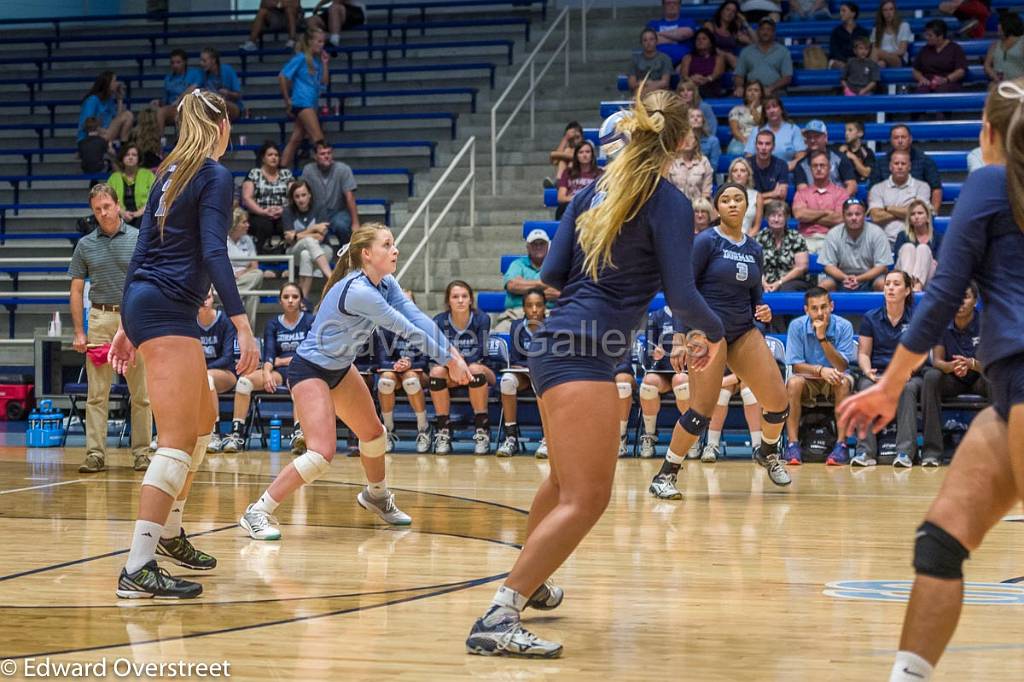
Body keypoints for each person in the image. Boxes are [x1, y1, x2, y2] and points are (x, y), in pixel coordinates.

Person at [465, 89, 723, 658]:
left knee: (561, 485)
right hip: (586, 352)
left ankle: (525, 587)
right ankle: (499, 615)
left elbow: (551, 274)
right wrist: (716, 330)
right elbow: (683, 297)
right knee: (588, 499)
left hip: (553, 343)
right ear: (682, 142)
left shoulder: (590, 195)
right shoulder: (670, 202)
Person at [838, 81, 1024, 682]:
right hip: (1007, 398)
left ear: (987, 134)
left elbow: (943, 295)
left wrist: (889, 386)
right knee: (940, 542)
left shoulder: (990, 182)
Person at [110, 88, 259, 599]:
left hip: (152, 301)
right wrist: (241, 324)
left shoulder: (168, 174)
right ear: (221, 128)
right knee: (174, 441)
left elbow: (141, 252)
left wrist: (130, 321)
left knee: (202, 423)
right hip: (167, 306)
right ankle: (137, 566)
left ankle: (170, 534)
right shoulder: (214, 174)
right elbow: (215, 252)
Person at [240, 224, 472, 539]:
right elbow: (404, 328)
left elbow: (417, 318)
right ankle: (258, 511)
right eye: (388, 245)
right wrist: (449, 359)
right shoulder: (360, 291)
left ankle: (376, 495)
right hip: (309, 370)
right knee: (321, 453)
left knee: (375, 435)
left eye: (394, 244)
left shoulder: (386, 283)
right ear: (366, 254)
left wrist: (453, 355)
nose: (395, 250)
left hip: (339, 368)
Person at [649, 181, 793, 501]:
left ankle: (767, 451)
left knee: (779, 404)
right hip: (706, 331)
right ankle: (665, 474)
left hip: (743, 330)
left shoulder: (755, 248)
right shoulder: (706, 241)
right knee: (701, 411)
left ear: (747, 206)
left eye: (737, 199)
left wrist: (763, 310)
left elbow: (756, 296)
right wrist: (679, 337)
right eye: (724, 200)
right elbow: (681, 289)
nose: (731, 204)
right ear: (717, 208)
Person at [69, 184, 152, 474]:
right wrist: (80, 331)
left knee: (141, 394)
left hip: (132, 321)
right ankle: (95, 454)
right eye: (97, 209)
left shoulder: (140, 238)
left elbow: (148, 281)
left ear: (117, 205)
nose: (103, 212)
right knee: (97, 394)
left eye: (107, 206)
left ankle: (142, 454)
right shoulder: (85, 245)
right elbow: (76, 290)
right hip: (101, 320)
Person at [222, 282, 314, 454]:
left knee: (298, 384)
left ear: (301, 300)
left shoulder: (310, 321)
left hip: (303, 370)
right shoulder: (273, 324)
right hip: (278, 371)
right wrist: (266, 371)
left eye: (295, 297)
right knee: (243, 383)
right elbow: (270, 353)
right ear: (280, 301)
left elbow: (308, 353)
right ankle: (236, 434)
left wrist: (281, 361)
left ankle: (299, 434)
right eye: (286, 297)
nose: (290, 301)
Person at [851, 269, 920, 468]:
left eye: (896, 284)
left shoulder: (916, 318)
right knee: (864, 388)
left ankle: (905, 453)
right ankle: (865, 452)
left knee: (907, 390)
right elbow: (863, 353)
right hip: (878, 372)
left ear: (907, 291)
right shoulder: (871, 317)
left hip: (906, 374)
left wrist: (908, 371)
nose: (890, 287)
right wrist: (867, 371)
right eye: (888, 283)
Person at [783, 287, 856, 465]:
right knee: (793, 383)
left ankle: (841, 445)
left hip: (836, 377)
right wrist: (820, 370)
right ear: (806, 310)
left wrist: (822, 338)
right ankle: (792, 445)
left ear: (832, 306)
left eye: (824, 307)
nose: (820, 313)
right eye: (814, 308)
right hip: (807, 378)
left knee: (844, 381)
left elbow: (842, 365)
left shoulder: (844, 326)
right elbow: (796, 365)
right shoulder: (796, 326)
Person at [917, 283, 985, 468]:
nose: (960, 302)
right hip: (953, 377)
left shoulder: (986, 323)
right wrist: (951, 366)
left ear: (975, 301)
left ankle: (1001, 449)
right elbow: (938, 361)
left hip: (980, 377)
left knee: (999, 377)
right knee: (931, 376)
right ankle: (932, 452)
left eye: (965, 297)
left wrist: (971, 364)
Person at [429, 280, 495, 455]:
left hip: (480, 368)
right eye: (455, 297)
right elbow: (437, 352)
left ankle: (482, 430)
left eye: (464, 296)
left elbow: (482, 350)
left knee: (474, 369)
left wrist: (461, 365)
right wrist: (454, 366)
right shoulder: (439, 321)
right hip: (452, 372)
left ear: (471, 300)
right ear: (448, 301)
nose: (460, 300)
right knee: (435, 372)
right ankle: (443, 430)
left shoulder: (482, 319)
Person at [376, 289, 432, 454]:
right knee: (385, 381)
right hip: (394, 372)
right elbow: (382, 360)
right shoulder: (385, 328)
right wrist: (396, 364)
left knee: (410, 379)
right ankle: (387, 430)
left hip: (418, 373)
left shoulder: (423, 327)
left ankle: (424, 428)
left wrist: (409, 363)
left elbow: (425, 361)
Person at [496, 288, 547, 457]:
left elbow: (553, 358)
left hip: (544, 375)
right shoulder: (517, 326)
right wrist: (530, 365)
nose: (534, 310)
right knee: (507, 380)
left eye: (538, 305)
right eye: (529, 305)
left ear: (544, 307)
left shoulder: (552, 326)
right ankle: (511, 438)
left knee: (540, 378)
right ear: (523, 308)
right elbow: (515, 359)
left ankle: (548, 438)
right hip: (523, 374)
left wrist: (532, 366)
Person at [280, 29, 331, 169]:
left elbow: (324, 83)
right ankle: (325, 169)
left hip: (310, 104)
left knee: (296, 139)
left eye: (323, 42)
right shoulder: (301, 58)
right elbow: (283, 76)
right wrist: (287, 100)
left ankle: (280, 170)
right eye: (319, 41)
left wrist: (326, 63)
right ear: (310, 42)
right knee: (319, 139)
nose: (322, 45)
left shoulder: (317, 61)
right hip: (302, 102)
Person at [197, 289, 239, 454]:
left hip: (225, 374)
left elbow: (228, 357)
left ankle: (214, 433)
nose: (204, 301)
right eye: (200, 297)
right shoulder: (190, 322)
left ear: (213, 298)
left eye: (207, 297)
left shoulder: (225, 321)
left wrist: (202, 370)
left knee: (208, 379)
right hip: (197, 375)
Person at [818, 198, 891, 291]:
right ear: (843, 216)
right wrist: (845, 278)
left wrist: (858, 279)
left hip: (871, 279)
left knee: (883, 284)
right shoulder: (833, 234)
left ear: (864, 215)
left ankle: (885, 306)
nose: (854, 218)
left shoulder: (877, 233)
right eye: (849, 214)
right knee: (824, 285)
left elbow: (882, 266)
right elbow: (828, 266)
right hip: (840, 278)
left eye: (858, 214)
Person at [281, 179, 334, 299]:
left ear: (309, 194)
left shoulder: (320, 207)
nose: (301, 199)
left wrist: (296, 235)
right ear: (292, 198)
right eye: (297, 196)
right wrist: (314, 228)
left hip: (323, 249)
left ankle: (302, 300)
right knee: (309, 241)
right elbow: (289, 239)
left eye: (303, 195)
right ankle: (330, 277)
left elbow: (320, 237)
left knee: (306, 254)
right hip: (294, 251)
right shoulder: (287, 211)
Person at [301, 141, 360, 248]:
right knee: (311, 228)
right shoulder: (308, 170)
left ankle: (347, 254)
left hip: (338, 211)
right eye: (322, 154)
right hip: (316, 212)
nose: (326, 156)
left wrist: (355, 223)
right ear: (315, 156)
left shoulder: (343, 169)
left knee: (341, 225)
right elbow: (303, 193)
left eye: (329, 153)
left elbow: (350, 196)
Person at [869, 125, 943, 211]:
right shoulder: (880, 163)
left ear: (910, 139)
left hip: (916, 214)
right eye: (896, 138)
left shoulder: (926, 161)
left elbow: (936, 189)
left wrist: (933, 215)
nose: (900, 141)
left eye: (903, 137)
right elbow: (872, 192)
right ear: (891, 141)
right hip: (886, 213)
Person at [869, 150, 933, 243]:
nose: (899, 167)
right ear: (890, 167)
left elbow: (921, 214)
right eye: (896, 163)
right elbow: (876, 217)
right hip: (885, 242)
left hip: (913, 240)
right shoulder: (877, 188)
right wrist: (906, 212)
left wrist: (888, 208)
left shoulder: (922, 187)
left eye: (903, 163)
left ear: (909, 166)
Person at [241, 141, 294, 254]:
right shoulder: (254, 173)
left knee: (288, 224)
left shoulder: (286, 174)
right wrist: (263, 212)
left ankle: (286, 255)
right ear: (263, 158)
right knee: (264, 226)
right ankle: (260, 257)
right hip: (259, 213)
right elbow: (247, 198)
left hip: (282, 213)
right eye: (270, 155)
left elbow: (294, 195)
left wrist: (283, 210)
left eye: (276, 155)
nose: (274, 158)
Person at [793, 150, 850, 251]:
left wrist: (810, 217)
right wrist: (825, 212)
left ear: (829, 168)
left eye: (822, 165)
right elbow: (799, 215)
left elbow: (839, 219)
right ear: (810, 169)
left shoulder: (841, 193)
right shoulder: (802, 193)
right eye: (815, 166)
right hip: (806, 239)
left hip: (831, 239)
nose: (818, 169)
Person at [503, 228, 558, 317]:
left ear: (548, 246)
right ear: (528, 247)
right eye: (534, 244)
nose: (538, 247)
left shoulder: (556, 266)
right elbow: (512, 285)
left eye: (542, 243)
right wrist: (542, 285)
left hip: (548, 313)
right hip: (517, 312)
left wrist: (524, 286)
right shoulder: (518, 264)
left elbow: (559, 292)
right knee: (501, 329)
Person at [757, 200, 811, 291]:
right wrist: (763, 283)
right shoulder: (760, 237)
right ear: (767, 218)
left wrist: (779, 282)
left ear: (786, 218)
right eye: (773, 216)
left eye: (780, 216)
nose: (776, 219)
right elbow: (754, 265)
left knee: (786, 288)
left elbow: (801, 268)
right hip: (764, 281)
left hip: (790, 281)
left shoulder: (796, 237)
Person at [794, 120, 858, 196]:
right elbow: (802, 192)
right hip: (813, 204)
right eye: (809, 137)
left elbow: (852, 186)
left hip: (839, 202)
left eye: (816, 136)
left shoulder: (839, 158)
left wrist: (838, 201)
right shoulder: (801, 165)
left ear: (825, 138)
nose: (812, 140)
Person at [733, 18, 793, 98]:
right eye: (762, 29)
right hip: (752, 92)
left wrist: (770, 88)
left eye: (769, 29)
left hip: (775, 92)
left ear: (773, 32)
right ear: (757, 32)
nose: (765, 32)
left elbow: (787, 77)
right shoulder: (746, 51)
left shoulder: (783, 51)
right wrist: (739, 87)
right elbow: (739, 75)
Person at [743, 96, 805, 169]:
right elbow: (749, 155)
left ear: (781, 109)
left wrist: (791, 165)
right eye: (768, 108)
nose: (772, 110)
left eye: (774, 106)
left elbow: (801, 155)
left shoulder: (793, 129)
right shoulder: (757, 130)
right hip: (761, 171)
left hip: (788, 171)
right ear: (765, 114)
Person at [226, 209, 264, 326]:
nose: (248, 225)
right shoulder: (223, 240)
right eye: (244, 222)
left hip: (244, 280)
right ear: (234, 224)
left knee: (257, 276)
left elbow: (255, 265)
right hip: (227, 281)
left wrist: (244, 272)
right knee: (252, 293)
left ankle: (232, 296)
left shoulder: (247, 240)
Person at [894, 199, 941, 291]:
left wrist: (927, 259)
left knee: (923, 248)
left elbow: (940, 264)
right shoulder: (902, 236)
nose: (916, 217)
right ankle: (909, 285)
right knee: (908, 247)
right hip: (903, 276)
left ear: (928, 217)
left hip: (928, 277)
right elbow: (898, 261)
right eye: (913, 214)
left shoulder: (938, 237)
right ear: (910, 220)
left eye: (920, 213)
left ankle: (916, 287)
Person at [152, 49, 202, 133]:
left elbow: (195, 89)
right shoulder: (168, 79)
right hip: (172, 108)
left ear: (185, 62)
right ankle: (161, 141)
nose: (175, 65)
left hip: (189, 107)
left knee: (182, 115)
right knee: (159, 112)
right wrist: (159, 102)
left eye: (178, 62)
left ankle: (182, 142)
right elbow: (166, 101)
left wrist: (179, 99)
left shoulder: (194, 74)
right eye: (172, 63)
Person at [77, 71, 134, 144]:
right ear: (107, 84)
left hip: (106, 133)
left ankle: (123, 146)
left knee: (130, 123)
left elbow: (117, 119)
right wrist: (101, 130)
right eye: (114, 81)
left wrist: (119, 99)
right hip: (91, 136)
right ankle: (123, 147)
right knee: (127, 115)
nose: (117, 84)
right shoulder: (92, 100)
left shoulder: (109, 100)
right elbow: (86, 123)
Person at [912, 20, 968, 93]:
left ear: (940, 36)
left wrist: (946, 79)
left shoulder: (955, 48)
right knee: (921, 91)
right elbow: (916, 70)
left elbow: (961, 71)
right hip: (928, 82)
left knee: (942, 91)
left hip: (948, 82)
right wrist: (921, 78)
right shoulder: (924, 49)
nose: (926, 37)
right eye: (926, 35)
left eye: (930, 35)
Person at [107, 145, 156, 228]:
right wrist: (122, 212)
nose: (130, 157)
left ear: (138, 158)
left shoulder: (148, 175)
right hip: (119, 215)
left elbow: (154, 198)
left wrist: (139, 213)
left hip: (143, 214)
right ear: (122, 158)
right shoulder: (114, 178)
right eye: (127, 155)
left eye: (134, 155)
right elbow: (108, 199)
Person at [556, 140, 601, 220]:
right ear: (576, 156)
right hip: (573, 207)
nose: (584, 155)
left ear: (592, 155)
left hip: (592, 208)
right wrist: (578, 199)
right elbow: (561, 197)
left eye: (587, 152)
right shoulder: (568, 173)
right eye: (581, 152)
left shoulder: (600, 173)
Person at [668, 127, 713, 204]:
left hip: (698, 208)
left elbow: (706, 192)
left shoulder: (704, 162)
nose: (687, 141)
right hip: (675, 206)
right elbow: (667, 190)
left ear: (696, 142)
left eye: (690, 138)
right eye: (684, 138)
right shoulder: (671, 162)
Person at [704, 1, 754, 69]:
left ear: (735, 15)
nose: (730, 13)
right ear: (721, 11)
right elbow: (707, 45)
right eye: (727, 9)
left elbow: (755, 43)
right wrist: (726, 55)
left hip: (730, 62)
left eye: (733, 12)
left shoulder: (734, 31)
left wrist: (745, 23)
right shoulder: (710, 25)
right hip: (712, 58)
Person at [647, 0, 697, 64]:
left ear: (679, 5)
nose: (672, 5)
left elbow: (685, 34)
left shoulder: (688, 21)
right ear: (663, 5)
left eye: (675, 3)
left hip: (683, 63)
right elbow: (650, 40)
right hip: (658, 63)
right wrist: (678, 39)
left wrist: (659, 34)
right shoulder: (653, 24)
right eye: (668, 3)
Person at [198, 48, 243, 121]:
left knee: (217, 103)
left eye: (204, 61)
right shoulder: (203, 74)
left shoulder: (227, 70)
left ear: (213, 60)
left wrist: (228, 93)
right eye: (201, 60)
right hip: (212, 108)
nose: (201, 63)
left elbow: (238, 95)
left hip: (232, 106)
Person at [680, 28, 726, 99]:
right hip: (691, 87)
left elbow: (717, 74)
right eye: (698, 39)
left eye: (704, 39)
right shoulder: (688, 57)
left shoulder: (718, 57)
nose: (700, 41)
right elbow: (684, 75)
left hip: (711, 87)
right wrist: (691, 80)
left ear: (711, 43)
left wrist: (706, 79)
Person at [628, 29, 675, 95]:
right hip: (639, 94)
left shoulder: (665, 58)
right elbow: (632, 84)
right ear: (641, 43)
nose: (648, 43)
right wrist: (647, 83)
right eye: (645, 40)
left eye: (651, 39)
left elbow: (665, 83)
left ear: (656, 41)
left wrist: (644, 86)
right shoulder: (635, 59)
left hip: (659, 96)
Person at [749, 130, 790, 202]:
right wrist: (772, 194)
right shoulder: (747, 164)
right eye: (760, 143)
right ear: (755, 146)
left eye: (767, 144)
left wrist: (755, 199)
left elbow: (782, 196)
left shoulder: (781, 165)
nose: (763, 147)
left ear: (773, 147)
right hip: (750, 207)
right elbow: (742, 196)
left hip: (772, 206)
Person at [870, 0, 913, 67]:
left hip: (898, 59)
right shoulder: (876, 29)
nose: (888, 13)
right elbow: (873, 51)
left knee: (876, 51)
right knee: (881, 64)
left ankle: (864, 74)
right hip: (881, 59)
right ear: (881, 13)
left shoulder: (904, 26)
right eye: (885, 10)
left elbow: (902, 51)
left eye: (891, 9)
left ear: (895, 11)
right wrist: (883, 56)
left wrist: (884, 54)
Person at [985, 12, 1024, 83]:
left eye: (1000, 24)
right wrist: (994, 76)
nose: (997, 26)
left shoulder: (1022, 42)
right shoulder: (995, 45)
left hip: (1020, 86)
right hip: (999, 85)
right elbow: (987, 65)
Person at [830, 1, 871, 69]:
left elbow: (866, 49)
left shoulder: (863, 32)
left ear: (853, 13)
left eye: (844, 11)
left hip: (859, 60)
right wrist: (846, 61)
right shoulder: (836, 31)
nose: (841, 13)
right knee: (838, 64)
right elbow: (834, 51)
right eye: (840, 11)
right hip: (841, 61)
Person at [727, 79, 764, 154]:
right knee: (736, 151)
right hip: (741, 139)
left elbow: (761, 124)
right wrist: (746, 142)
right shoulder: (736, 109)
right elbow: (735, 130)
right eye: (749, 90)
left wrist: (753, 109)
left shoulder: (766, 109)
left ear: (761, 94)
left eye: (756, 90)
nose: (752, 93)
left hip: (762, 140)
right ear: (745, 93)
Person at [728, 157, 762, 235]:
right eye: (735, 171)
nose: (738, 174)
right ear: (731, 175)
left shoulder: (757, 196)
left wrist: (746, 240)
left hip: (748, 238)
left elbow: (756, 226)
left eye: (743, 171)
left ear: (748, 175)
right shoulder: (722, 194)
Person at [547, 121, 583, 186]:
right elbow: (555, 161)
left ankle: (558, 183)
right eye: (571, 138)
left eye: (577, 137)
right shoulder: (567, 148)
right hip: (567, 178)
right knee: (562, 160)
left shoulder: (587, 145)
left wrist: (554, 154)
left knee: (571, 161)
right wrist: (565, 138)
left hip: (582, 175)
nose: (575, 140)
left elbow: (578, 158)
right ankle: (559, 182)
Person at [691, 108, 721, 172]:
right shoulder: (683, 141)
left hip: (706, 176)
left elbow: (714, 166)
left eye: (698, 116)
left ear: (703, 121)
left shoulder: (713, 141)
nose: (695, 118)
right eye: (692, 116)